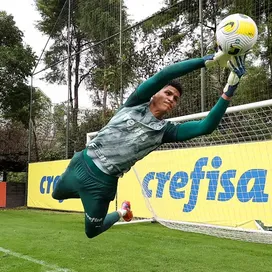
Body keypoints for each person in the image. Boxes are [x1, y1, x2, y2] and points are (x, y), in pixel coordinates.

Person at [51, 52, 246, 239]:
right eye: (168, 93)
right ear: (155, 94)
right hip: (81, 163)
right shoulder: (135, 103)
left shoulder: (164, 132)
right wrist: (208, 60)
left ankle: (122, 211)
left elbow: (206, 126)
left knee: (92, 231)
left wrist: (229, 90)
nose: (171, 99)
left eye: (175, 99)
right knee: (56, 193)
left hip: (102, 184)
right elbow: (164, 75)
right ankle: (90, 197)